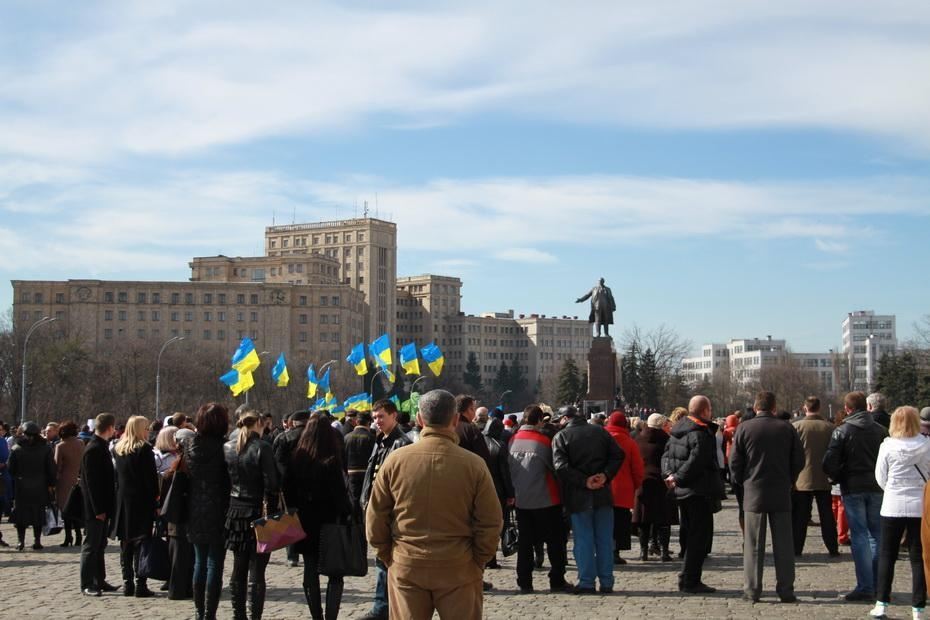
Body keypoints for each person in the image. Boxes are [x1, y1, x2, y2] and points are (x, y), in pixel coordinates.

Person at [366, 389, 502, 620]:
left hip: (407, 564)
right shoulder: (474, 465)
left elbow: (375, 516)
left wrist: (389, 556)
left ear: (419, 419)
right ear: (456, 419)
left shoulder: (396, 461)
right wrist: (478, 560)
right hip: (458, 566)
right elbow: (490, 521)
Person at [729, 391, 804, 603]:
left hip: (753, 491)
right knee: (784, 545)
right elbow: (799, 459)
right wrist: (790, 479)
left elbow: (734, 462)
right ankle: (786, 589)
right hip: (781, 490)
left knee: (753, 544)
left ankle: (752, 590)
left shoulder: (744, 428)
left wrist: (742, 481)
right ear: (774, 407)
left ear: (755, 406)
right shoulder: (786, 428)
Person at [823, 391, 888, 602]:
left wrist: (837, 476)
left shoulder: (842, 431)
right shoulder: (881, 431)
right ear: (866, 407)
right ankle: (879, 584)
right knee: (876, 535)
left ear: (848, 409)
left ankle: (866, 586)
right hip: (877, 486)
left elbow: (829, 462)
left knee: (859, 536)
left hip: (852, 486)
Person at [552, 406, 624, 594]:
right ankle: (607, 582)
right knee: (605, 540)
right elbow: (618, 455)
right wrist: (605, 475)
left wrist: (584, 481)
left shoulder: (561, 436)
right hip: (602, 492)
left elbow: (560, 466)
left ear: (566, 418)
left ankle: (586, 582)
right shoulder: (600, 431)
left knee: (583, 540)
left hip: (578, 495)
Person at [289, 416, 352, 619]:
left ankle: (316, 615)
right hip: (330, 522)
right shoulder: (332, 461)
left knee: (310, 570)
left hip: (305, 521)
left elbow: (286, 488)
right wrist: (347, 514)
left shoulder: (297, 458)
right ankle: (330, 616)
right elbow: (340, 495)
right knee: (335, 572)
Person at [870, 406, 930, 620]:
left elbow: (880, 477)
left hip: (892, 504)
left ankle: (882, 603)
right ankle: (918, 609)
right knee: (918, 557)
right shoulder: (927, 445)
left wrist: (893, 490)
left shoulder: (887, 447)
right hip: (919, 504)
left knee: (887, 555)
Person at [508, 405, 572, 594]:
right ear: (538, 421)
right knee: (554, 542)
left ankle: (525, 582)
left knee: (525, 543)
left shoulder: (512, 440)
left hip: (522, 499)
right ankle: (557, 579)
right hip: (546, 498)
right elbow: (556, 469)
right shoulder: (543, 441)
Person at [661, 395, 722, 594]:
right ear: (705, 411)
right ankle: (690, 580)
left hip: (682, 491)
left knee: (691, 535)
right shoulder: (701, 433)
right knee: (699, 538)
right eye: (710, 409)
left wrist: (670, 475)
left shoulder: (677, 430)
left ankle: (686, 576)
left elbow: (666, 456)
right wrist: (677, 477)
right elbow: (697, 461)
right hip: (697, 490)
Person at [359, 399, 412, 620]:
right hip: (376, 507)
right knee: (381, 557)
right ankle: (385, 605)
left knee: (385, 559)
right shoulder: (380, 441)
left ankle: (383, 607)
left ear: (394, 416)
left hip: (390, 511)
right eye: (374, 418)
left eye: (381, 417)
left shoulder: (401, 443)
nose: (377, 422)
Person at [224, 411, 279, 620]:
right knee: (257, 570)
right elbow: (272, 483)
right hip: (258, 510)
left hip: (235, 510)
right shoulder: (263, 447)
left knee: (238, 566)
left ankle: (238, 615)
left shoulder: (228, 447)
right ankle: (254, 616)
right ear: (258, 423)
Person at [183, 402, 231, 620]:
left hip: (194, 507)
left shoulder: (190, 445)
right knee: (214, 562)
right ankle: (209, 613)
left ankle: (199, 611)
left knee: (199, 561)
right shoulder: (224, 447)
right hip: (219, 507)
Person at [112, 415, 159, 598]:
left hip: (123, 501)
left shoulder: (119, 449)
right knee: (141, 543)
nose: (148, 431)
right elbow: (150, 479)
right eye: (146, 428)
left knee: (126, 543)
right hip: (141, 500)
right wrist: (155, 498)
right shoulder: (144, 450)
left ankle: (127, 583)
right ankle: (141, 583)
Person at [792, 396, 839, 557]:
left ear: (805, 408)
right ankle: (832, 546)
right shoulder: (830, 427)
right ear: (819, 407)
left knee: (800, 516)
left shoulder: (796, 426)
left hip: (801, 477)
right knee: (826, 515)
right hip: (824, 476)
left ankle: (796, 548)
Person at [79, 413, 118, 596]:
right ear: (109, 427)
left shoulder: (101, 446)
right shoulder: (94, 448)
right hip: (95, 508)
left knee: (100, 544)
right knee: (91, 546)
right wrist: (98, 510)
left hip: (102, 505)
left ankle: (99, 579)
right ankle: (87, 582)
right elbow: (91, 483)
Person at [633, 413, 676, 561]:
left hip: (642, 482)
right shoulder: (667, 440)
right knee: (663, 518)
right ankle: (664, 552)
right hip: (662, 481)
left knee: (644, 519)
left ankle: (643, 552)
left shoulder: (637, 439)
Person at [8, 421, 56, 551]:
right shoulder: (46, 449)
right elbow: (51, 469)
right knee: (38, 514)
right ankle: (37, 541)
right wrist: (52, 484)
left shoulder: (16, 449)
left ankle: (20, 541)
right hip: (40, 486)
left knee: (21, 515)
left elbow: (11, 469)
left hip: (21, 486)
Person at [605, 411, 644, 565]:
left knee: (604, 521)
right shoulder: (629, 442)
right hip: (623, 488)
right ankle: (615, 552)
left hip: (603, 486)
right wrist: (636, 485)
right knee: (620, 523)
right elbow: (637, 468)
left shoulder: (601, 439)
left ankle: (604, 550)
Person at [273, 409, 311, 568]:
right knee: (309, 518)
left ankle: (292, 555)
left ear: (292, 423)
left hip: (289, 485)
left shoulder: (283, 437)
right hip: (310, 484)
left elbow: (277, 462)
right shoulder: (314, 437)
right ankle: (310, 553)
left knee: (290, 518)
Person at [483, 416, 515, 569]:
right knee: (497, 524)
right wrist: (510, 493)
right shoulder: (500, 445)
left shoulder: (479, 443)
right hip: (498, 489)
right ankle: (492, 557)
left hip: (481, 487)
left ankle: (487, 557)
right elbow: (505, 472)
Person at [55, 421, 84, 548]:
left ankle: (68, 537)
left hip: (64, 480)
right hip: (78, 479)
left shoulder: (60, 446)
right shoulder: (81, 443)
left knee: (66, 510)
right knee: (76, 508)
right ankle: (78, 535)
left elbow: (57, 465)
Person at [344, 411, 375, 511]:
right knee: (366, 498)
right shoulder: (371, 437)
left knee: (354, 498)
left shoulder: (347, 437)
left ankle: (355, 521)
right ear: (368, 423)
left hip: (351, 472)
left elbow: (343, 456)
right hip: (367, 473)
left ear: (357, 422)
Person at [454, 395, 492, 466]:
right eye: (474, 409)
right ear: (470, 409)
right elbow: (484, 459)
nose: (474, 413)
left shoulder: (448, 428)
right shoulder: (472, 430)